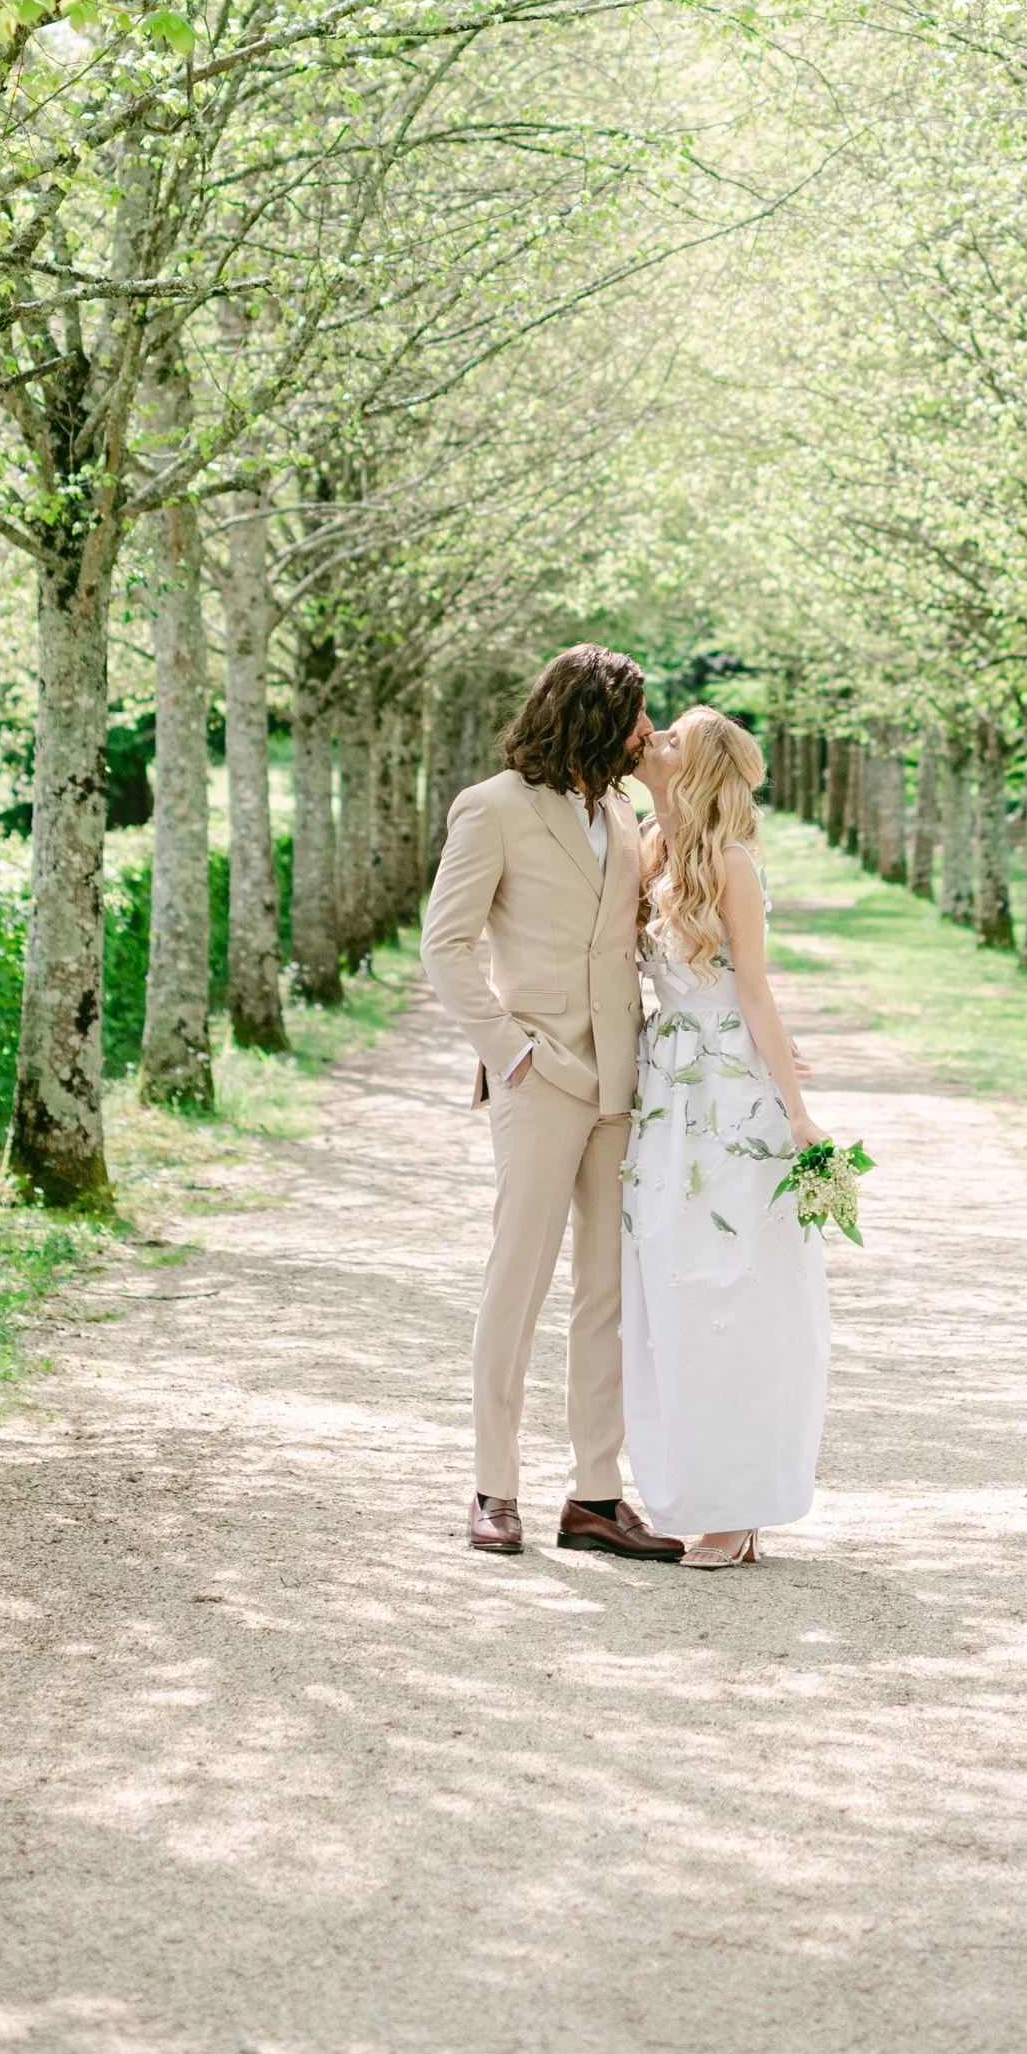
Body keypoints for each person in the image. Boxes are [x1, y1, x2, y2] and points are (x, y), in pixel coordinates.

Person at [420, 646, 686, 1563]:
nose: (647, 731)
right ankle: (494, 1488)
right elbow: (444, 944)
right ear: (591, 714)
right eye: (636, 715)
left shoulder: (620, 806)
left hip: (621, 1080)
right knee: (518, 1284)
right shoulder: (492, 807)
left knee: (606, 1297)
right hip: (538, 1081)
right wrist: (509, 1051)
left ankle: (597, 1497)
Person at [622, 707, 829, 1568]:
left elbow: (754, 995)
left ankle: (737, 1504)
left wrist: (800, 1114)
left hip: (730, 1100)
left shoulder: (734, 865)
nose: (652, 741)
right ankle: (688, 1487)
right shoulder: (647, 846)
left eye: (668, 738)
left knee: (730, 1289)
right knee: (666, 1289)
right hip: (664, 1094)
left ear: (696, 767)